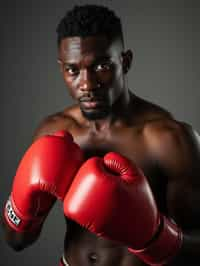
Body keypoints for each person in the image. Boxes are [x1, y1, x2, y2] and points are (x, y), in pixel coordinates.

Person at [2, 4, 200, 266]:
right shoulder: (52, 132)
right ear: (61, 68)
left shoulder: (170, 140)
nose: (87, 84)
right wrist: (21, 210)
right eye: (73, 70)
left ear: (125, 62)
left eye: (101, 66)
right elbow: (16, 241)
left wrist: (153, 237)